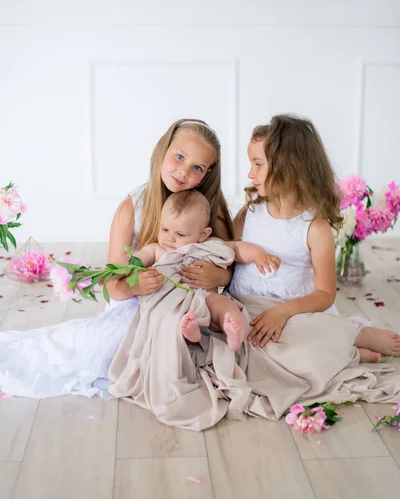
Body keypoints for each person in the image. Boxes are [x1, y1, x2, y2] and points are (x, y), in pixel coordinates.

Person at [0, 119, 235, 398]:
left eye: (196, 167)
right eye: (179, 157)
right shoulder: (132, 208)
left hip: (189, 308)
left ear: (207, 173)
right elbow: (112, 286)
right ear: (163, 150)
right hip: (134, 305)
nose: (183, 172)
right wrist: (135, 286)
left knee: (193, 340)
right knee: (91, 349)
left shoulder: (209, 211)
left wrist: (219, 276)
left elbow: (230, 266)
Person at [229, 114, 400, 362]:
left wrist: (283, 312)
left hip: (293, 312)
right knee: (244, 342)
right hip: (246, 305)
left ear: (288, 168)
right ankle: (345, 348)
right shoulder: (251, 212)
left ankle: (354, 335)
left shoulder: (314, 228)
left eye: (258, 164)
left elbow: (324, 294)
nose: (250, 173)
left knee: (295, 341)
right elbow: (227, 248)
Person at [133, 189, 280, 351]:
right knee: (169, 317)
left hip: (207, 297)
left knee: (224, 305)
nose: (170, 238)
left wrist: (257, 254)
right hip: (176, 303)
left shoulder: (207, 245)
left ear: (203, 234)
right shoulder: (156, 250)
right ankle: (192, 330)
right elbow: (134, 260)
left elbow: (237, 247)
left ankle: (234, 330)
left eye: (180, 234)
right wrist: (116, 270)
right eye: (165, 230)